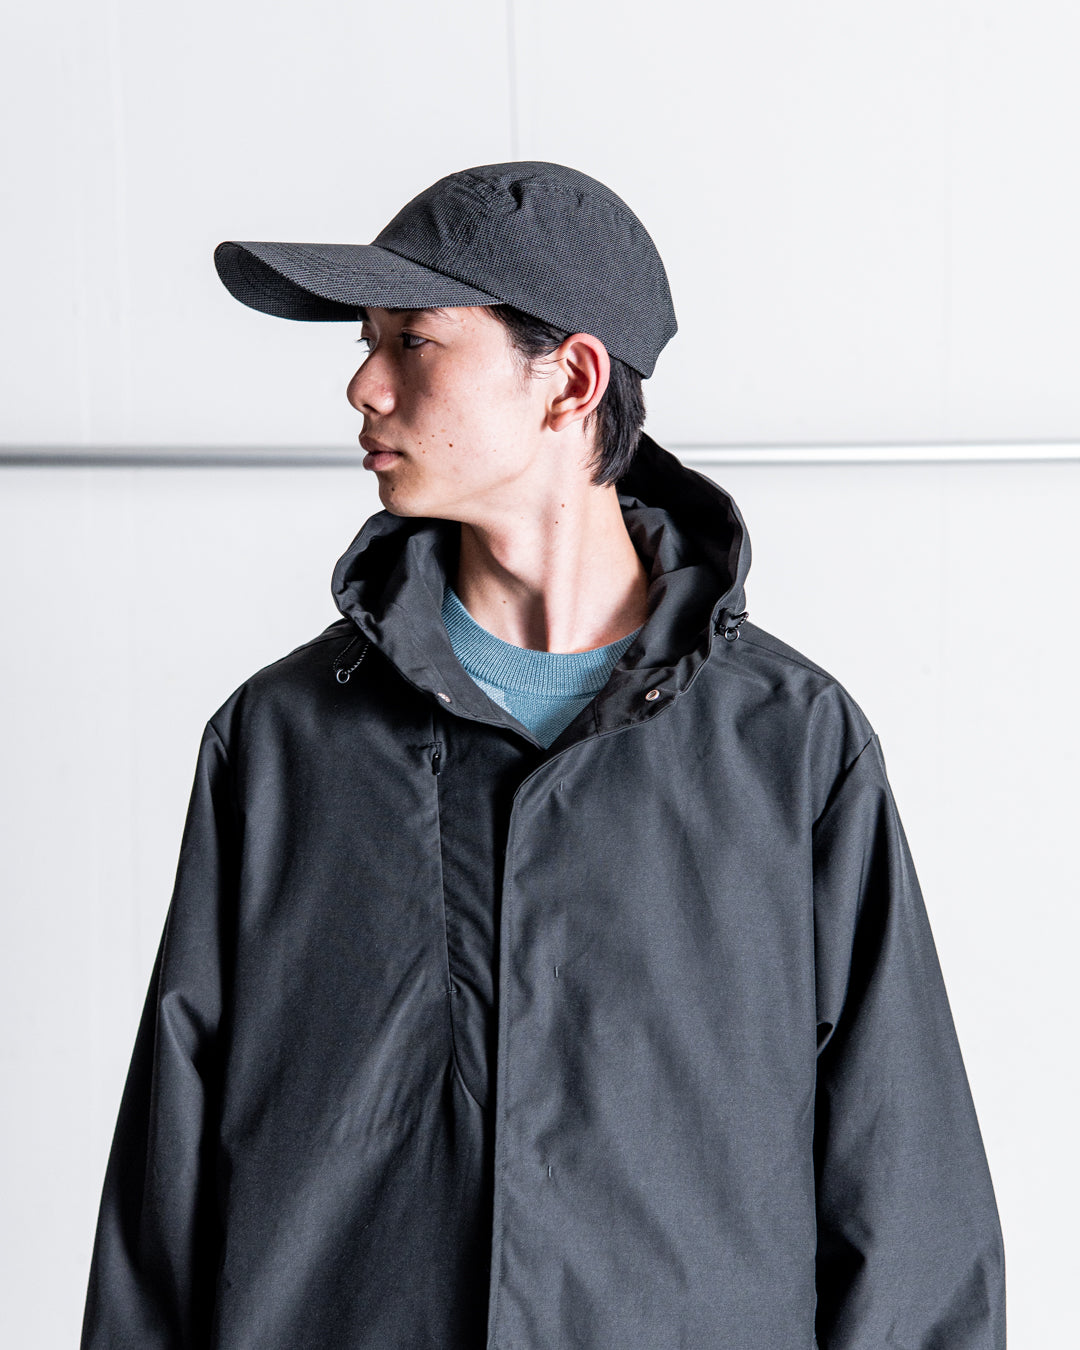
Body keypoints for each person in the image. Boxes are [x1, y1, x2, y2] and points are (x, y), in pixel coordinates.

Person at [80, 161, 1006, 1349]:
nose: (363, 385)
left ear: (570, 379)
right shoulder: (283, 741)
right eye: (366, 344)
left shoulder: (789, 748)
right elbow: (165, 1194)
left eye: (413, 341)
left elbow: (908, 1205)